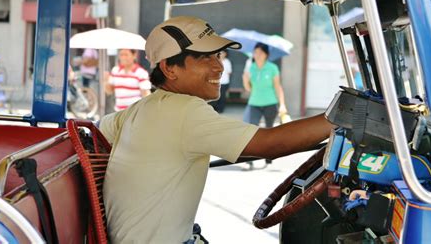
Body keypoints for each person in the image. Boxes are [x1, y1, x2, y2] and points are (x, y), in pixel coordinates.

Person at [100, 16, 334, 244]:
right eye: (204, 58)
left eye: (218, 55)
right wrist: (341, 117)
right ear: (169, 68)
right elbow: (270, 144)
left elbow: (100, 129)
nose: (219, 66)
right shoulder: (185, 110)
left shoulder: (138, 109)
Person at [242, 42, 288, 169]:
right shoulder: (250, 68)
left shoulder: (272, 68)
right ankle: (249, 160)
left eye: (260, 52)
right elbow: (249, 89)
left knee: (269, 132)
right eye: (255, 52)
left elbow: (278, 87)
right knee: (251, 132)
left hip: (270, 104)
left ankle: (268, 157)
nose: (257, 55)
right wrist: (245, 80)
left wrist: (282, 104)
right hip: (254, 103)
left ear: (266, 54)